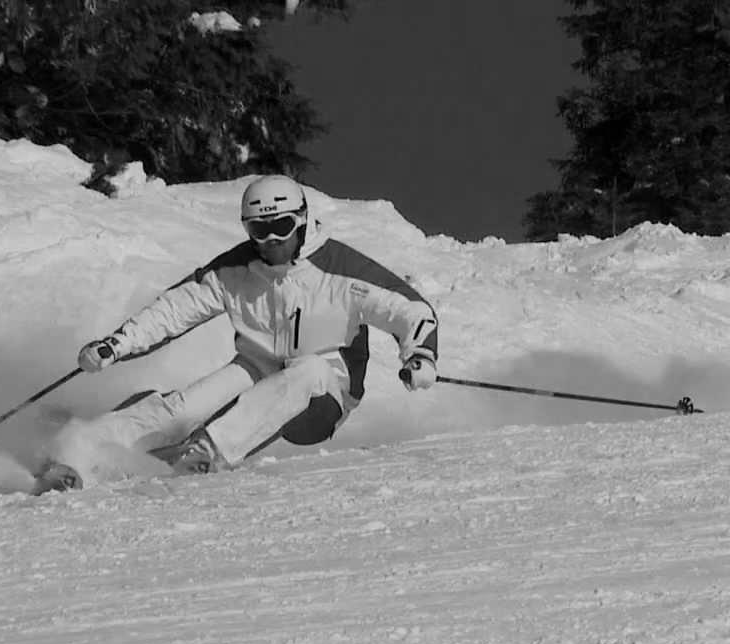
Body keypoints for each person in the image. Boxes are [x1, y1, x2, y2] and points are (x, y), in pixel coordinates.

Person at [35, 175, 439, 492]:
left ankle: (211, 450)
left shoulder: (338, 269)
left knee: (309, 370)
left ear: (301, 220)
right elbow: (174, 309)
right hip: (257, 369)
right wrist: (115, 345)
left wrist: (419, 355)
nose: (273, 240)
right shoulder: (237, 269)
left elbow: (408, 309)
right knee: (182, 406)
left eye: (282, 226)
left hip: (325, 394)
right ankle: (77, 453)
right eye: (260, 231)